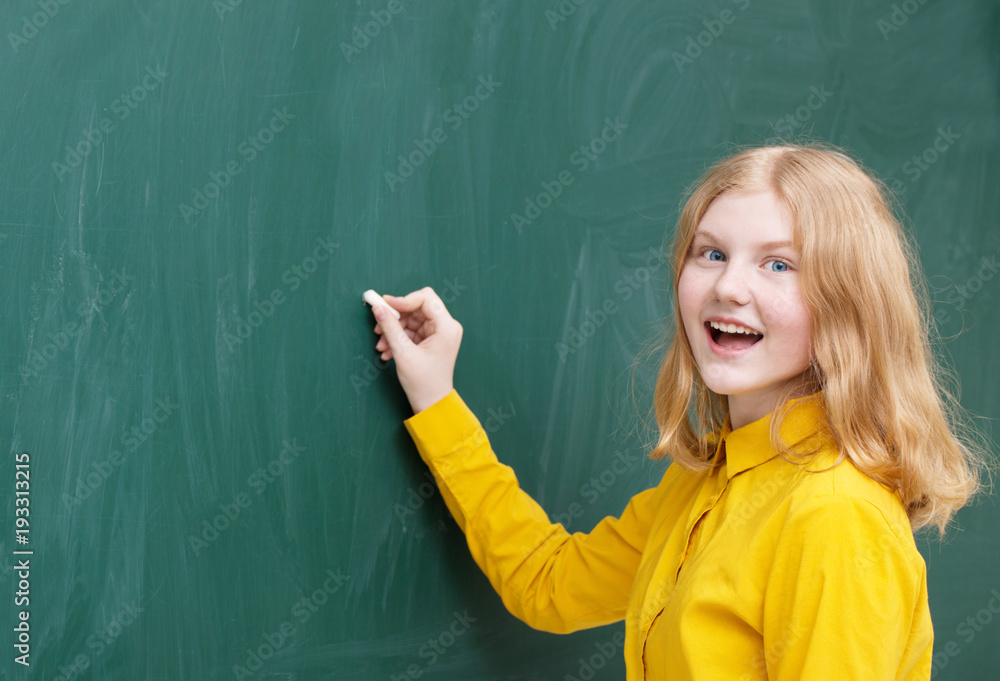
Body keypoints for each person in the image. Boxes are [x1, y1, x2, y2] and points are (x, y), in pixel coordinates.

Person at [368, 143, 988, 680]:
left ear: (847, 305)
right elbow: (548, 584)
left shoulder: (833, 518)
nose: (728, 287)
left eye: (779, 264)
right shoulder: (707, 483)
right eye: (710, 253)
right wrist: (436, 399)